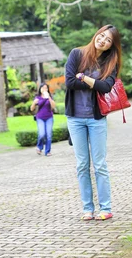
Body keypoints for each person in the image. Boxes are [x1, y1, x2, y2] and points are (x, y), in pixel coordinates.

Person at [65, 24, 122, 221]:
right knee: (82, 164)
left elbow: (106, 87)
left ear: (111, 46)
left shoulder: (110, 63)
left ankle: (105, 208)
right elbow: (69, 82)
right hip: (75, 118)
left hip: (97, 119)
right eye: (102, 36)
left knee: (100, 165)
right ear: (97, 34)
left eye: (108, 40)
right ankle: (87, 209)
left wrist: (84, 78)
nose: (103, 40)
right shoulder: (76, 54)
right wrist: (93, 82)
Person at [30, 83, 56, 156]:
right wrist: (34, 103)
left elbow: (53, 106)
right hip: (40, 118)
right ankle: (39, 147)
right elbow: (32, 109)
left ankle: (47, 151)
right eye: (43, 88)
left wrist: (49, 98)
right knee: (42, 134)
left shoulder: (49, 97)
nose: (45, 89)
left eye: (46, 88)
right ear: (40, 89)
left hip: (49, 118)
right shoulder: (37, 98)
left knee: (49, 135)